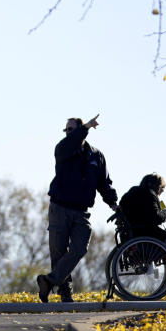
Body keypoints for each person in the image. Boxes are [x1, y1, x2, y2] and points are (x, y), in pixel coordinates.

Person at [38, 115, 118, 303]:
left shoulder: (96, 156)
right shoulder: (63, 149)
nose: (67, 133)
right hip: (59, 207)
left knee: (80, 247)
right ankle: (65, 293)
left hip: (81, 210)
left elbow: (104, 183)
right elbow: (71, 143)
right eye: (66, 130)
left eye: (71, 130)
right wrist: (86, 127)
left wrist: (113, 203)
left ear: (80, 130)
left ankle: (48, 281)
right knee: (58, 252)